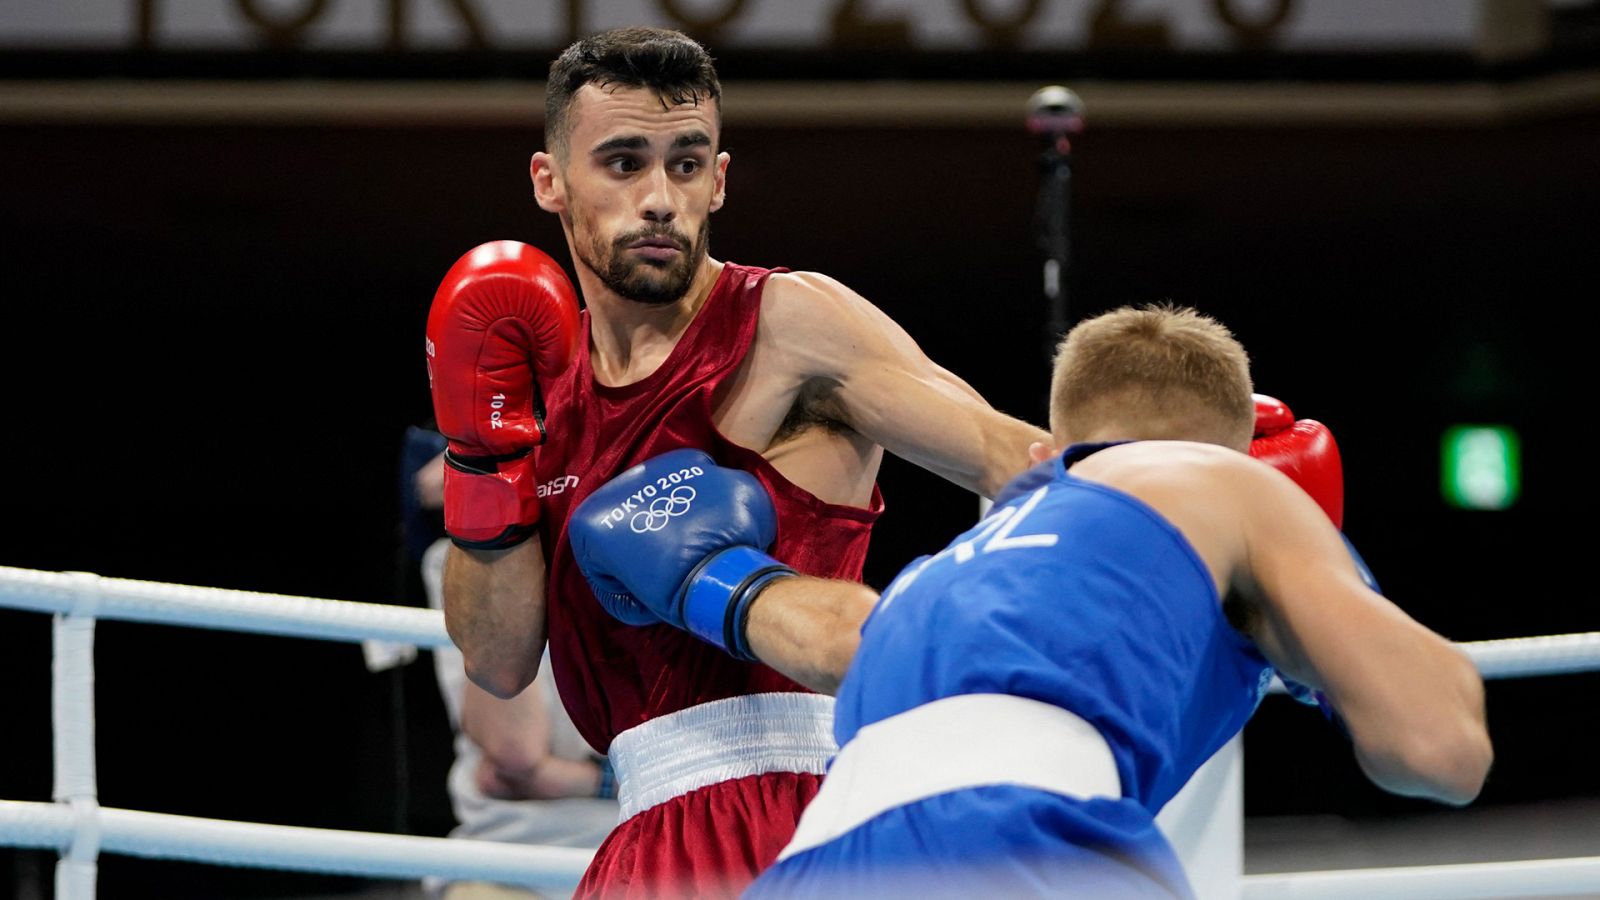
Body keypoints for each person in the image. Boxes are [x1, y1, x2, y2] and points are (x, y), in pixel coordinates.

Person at [567, 305, 1494, 899]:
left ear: (1058, 438)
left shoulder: (948, 572)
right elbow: (1439, 751)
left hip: (810, 869)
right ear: (1229, 440)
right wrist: (1320, 618)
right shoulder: (1222, 483)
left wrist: (710, 577)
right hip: (1021, 845)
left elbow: (834, 635)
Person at [423, 25, 1049, 898]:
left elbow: (1012, 457)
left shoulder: (788, 325)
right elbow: (496, 660)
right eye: (623, 162)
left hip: (812, 803)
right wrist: (479, 455)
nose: (658, 198)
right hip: (642, 833)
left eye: (685, 164)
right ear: (550, 182)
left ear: (717, 180)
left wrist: (1197, 492)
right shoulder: (543, 407)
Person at [415, 450, 620, 900]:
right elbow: (516, 762)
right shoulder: (464, 559)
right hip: (511, 860)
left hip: (656, 855)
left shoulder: (670, 541)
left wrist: (584, 780)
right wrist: (492, 511)